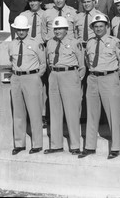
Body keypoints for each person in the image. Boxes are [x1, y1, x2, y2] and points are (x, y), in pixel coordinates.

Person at [80, 13, 120, 159]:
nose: (98, 29)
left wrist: (112, 75)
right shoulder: (89, 43)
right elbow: (87, 62)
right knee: (92, 113)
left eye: (101, 26)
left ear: (107, 26)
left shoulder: (115, 42)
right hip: (93, 78)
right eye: (96, 26)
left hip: (109, 78)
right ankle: (89, 146)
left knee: (113, 113)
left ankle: (115, 147)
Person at [44, 16, 85, 155]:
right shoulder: (49, 43)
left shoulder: (75, 43)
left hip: (69, 75)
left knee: (72, 111)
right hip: (54, 75)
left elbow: (82, 64)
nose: (58, 31)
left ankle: (75, 145)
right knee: (55, 112)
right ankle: (56, 145)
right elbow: (48, 63)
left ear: (66, 29)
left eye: (60, 28)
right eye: (55, 29)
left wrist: (76, 79)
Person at [8, 15, 46, 155]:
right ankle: (19, 143)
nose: (21, 32)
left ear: (27, 30)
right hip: (16, 78)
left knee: (34, 112)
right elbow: (10, 60)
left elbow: (43, 63)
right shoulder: (11, 44)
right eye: (18, 30)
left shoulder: (36, 44)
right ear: (16, 30)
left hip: (31, 77)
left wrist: (35, 77)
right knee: (18, 112)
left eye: (23, 29)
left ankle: (37, 144)